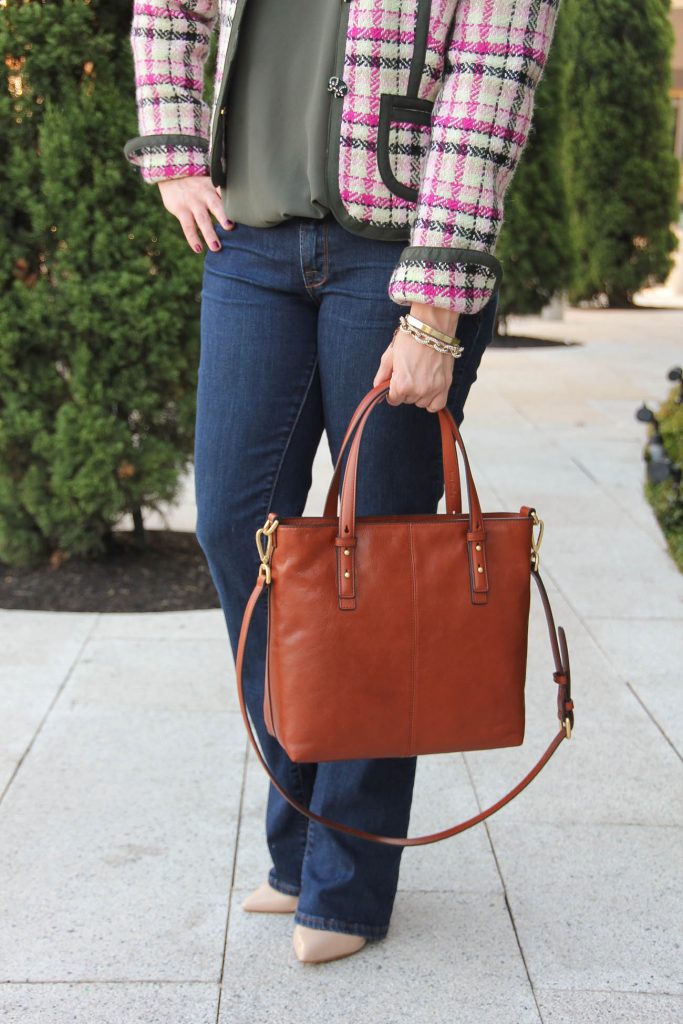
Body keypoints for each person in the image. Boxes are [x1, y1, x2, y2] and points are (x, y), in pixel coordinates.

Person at [124, 0, 561, 965]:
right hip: (247, 241)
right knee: (238, 524)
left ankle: (346, 881)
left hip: (399, 254)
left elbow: (489, 86)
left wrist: (437, 306)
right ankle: (298, 838)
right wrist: (174, 149)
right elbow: (169, 9)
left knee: (380, 556)